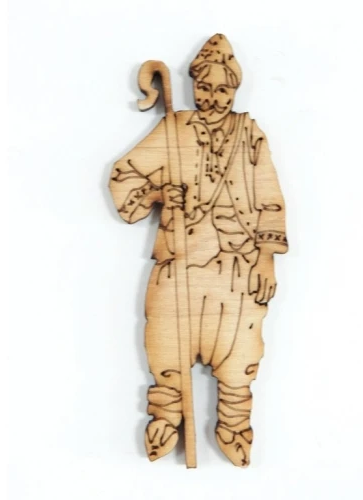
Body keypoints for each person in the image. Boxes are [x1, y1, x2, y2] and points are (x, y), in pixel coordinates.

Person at [109, 34, 288, 467]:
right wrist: (157, 194)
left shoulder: (250, 134)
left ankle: (234, 423)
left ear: (235, 90)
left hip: (238, 266)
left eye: (222, 89)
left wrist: (266, 258)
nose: (212, 98)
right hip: (182, 261)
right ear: (192, 87)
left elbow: (269, 197)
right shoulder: (174, 130)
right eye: (204, 88)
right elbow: (125, 175)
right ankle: (166, 415)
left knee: (240, 348)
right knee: (167, 336)